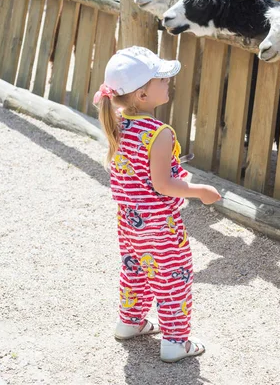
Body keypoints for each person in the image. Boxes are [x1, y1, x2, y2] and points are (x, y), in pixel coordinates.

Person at [93, 45, 221, 363]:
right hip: (160, 227)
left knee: (135, 271)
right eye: (161, 80)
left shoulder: (119, 122)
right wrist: (199, 190)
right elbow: (162, 185)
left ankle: (130, 322)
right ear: (141, 95)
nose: (168, 83)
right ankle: (175, 342)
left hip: (129, 223)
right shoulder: (159, 133)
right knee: (172, 278)